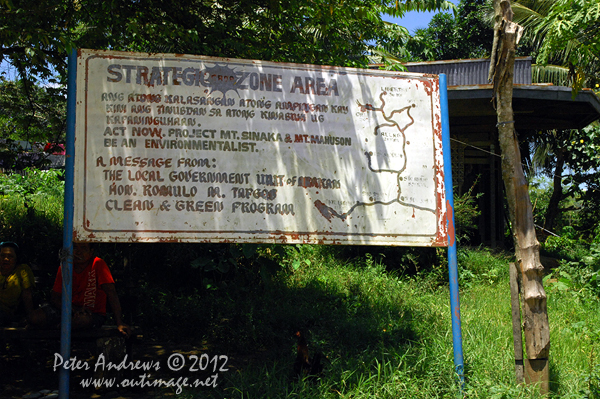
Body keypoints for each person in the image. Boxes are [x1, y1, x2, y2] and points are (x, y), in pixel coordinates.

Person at [30, 242, 130, 337]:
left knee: (82, 321)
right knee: (35, 317)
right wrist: (74, 309)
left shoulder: (98, 264)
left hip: (92, 314)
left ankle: (58, 327)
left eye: (83, 248)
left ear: (91, 251)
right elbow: (55, 298)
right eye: (75, 247)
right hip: (67, 310)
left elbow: (111, 292)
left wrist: (119, 323)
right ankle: (58, 327)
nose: (78, 252)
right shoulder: (66, 266)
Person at [0, 241, 35, 326]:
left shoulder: (22, 270)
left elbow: (27, 295)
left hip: (10, 313)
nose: (6, 259)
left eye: (10, 256)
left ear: (16, 258)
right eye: (2, 256)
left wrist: (31, 317)